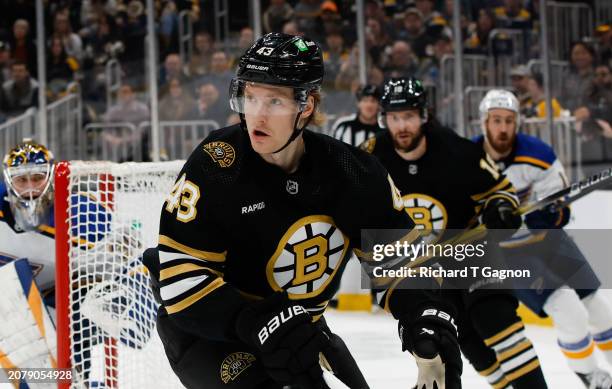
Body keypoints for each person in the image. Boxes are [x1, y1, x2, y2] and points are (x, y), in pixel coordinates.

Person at [143, 32, 462, 389]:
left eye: (274, 102)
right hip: (212, 337)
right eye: (250, 97)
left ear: (306, 106)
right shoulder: (218, 164)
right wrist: (256, 322)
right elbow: (179, 280)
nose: (256, 115)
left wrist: (423, 315)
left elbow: (400, 261)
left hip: (297, 331)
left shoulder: (352, 172)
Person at [361, 77, 549, 389]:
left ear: (423, 115)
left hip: (472, 250)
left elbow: (501, 191)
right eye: (394, 118)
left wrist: (499, 209)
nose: (401, 126)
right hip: (425, 268)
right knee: (466, 344)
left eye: (408, 116)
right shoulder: (370, 157)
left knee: (497, 321)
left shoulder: (455, 149)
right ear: (384, 119)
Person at [475, 89, 612, 389]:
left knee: (600, 311)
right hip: (508, 256)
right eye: (496, 120)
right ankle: (592, 378)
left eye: (508, 120)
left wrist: (546, 216)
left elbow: (561, 211)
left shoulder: (539, 154)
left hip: (550, 242)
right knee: (570, 312)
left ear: (517, 123)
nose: (502, 127)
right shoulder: (468, 160)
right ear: (483, 122)